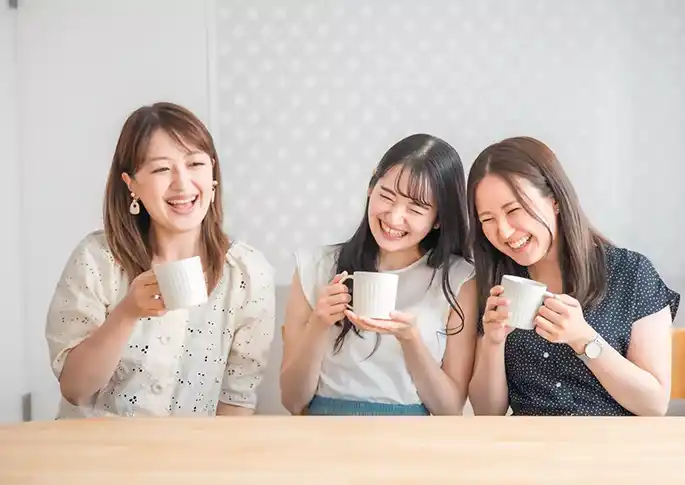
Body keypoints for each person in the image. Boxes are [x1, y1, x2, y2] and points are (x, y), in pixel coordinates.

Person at [45, 102, 276, 418]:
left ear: (212, 173)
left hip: (191, 449)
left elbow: (237, 398)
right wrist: (126, 313)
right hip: (96, 446)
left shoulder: (246, 272)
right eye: (161, 169)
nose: (182, 183)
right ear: (131, 184)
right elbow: (75, 389)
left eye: (195, 164)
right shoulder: (97, 259)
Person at [467, 136, 679, 416]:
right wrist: (493, 343)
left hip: (612, 441)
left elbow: (653, 405)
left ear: (555, 200)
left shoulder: (631, 273)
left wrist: (583, 339)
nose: (504, 232)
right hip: (527, 442)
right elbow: (487, 413)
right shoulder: (495, 282)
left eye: (514, 210)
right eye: (487, 219)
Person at [280, 134, 477, 415]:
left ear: (439, 219)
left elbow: (449, 409)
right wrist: (319, 324)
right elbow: (292, 400)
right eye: (387, 196)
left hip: (409, 436)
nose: (394, 218)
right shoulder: (315, 266)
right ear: (371, 187)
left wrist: (411, 340)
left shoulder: (459, 280)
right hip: (324, 431)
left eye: (416, 208)